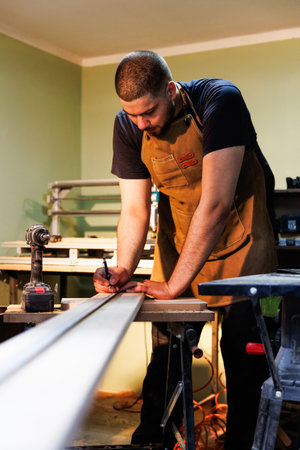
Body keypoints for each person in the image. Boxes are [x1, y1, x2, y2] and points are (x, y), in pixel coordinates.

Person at [93, 50, 277, 450]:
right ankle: (152, 442)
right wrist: (123, 268)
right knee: (167, 352)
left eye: (149, 113)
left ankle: (243, 444)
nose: (142, 124)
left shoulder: (219, 100)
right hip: (181, 243)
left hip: (243, 241)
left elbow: (215, 203)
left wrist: (174, 285)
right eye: (132, 115)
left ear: (172, 90)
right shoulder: (128, 124)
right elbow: (135, 209)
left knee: (244, 353)